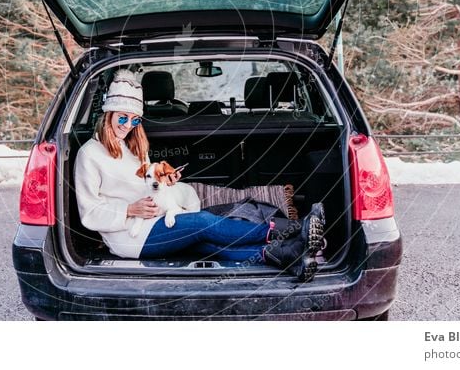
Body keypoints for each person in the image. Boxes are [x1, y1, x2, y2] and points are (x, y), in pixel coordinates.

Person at [73, 69, 324, 281]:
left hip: (157, 220)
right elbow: (89, 212)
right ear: (108, 114)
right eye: (123, 118)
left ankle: (288, 256)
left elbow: (150, 187)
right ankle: (291, 228)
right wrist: (129, 210)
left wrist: (166, 184)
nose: (128, 126)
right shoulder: (89, 154)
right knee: (201, 222)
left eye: (135, 120)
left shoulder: (136, 148)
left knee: (208, 247)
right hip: (128, 237)